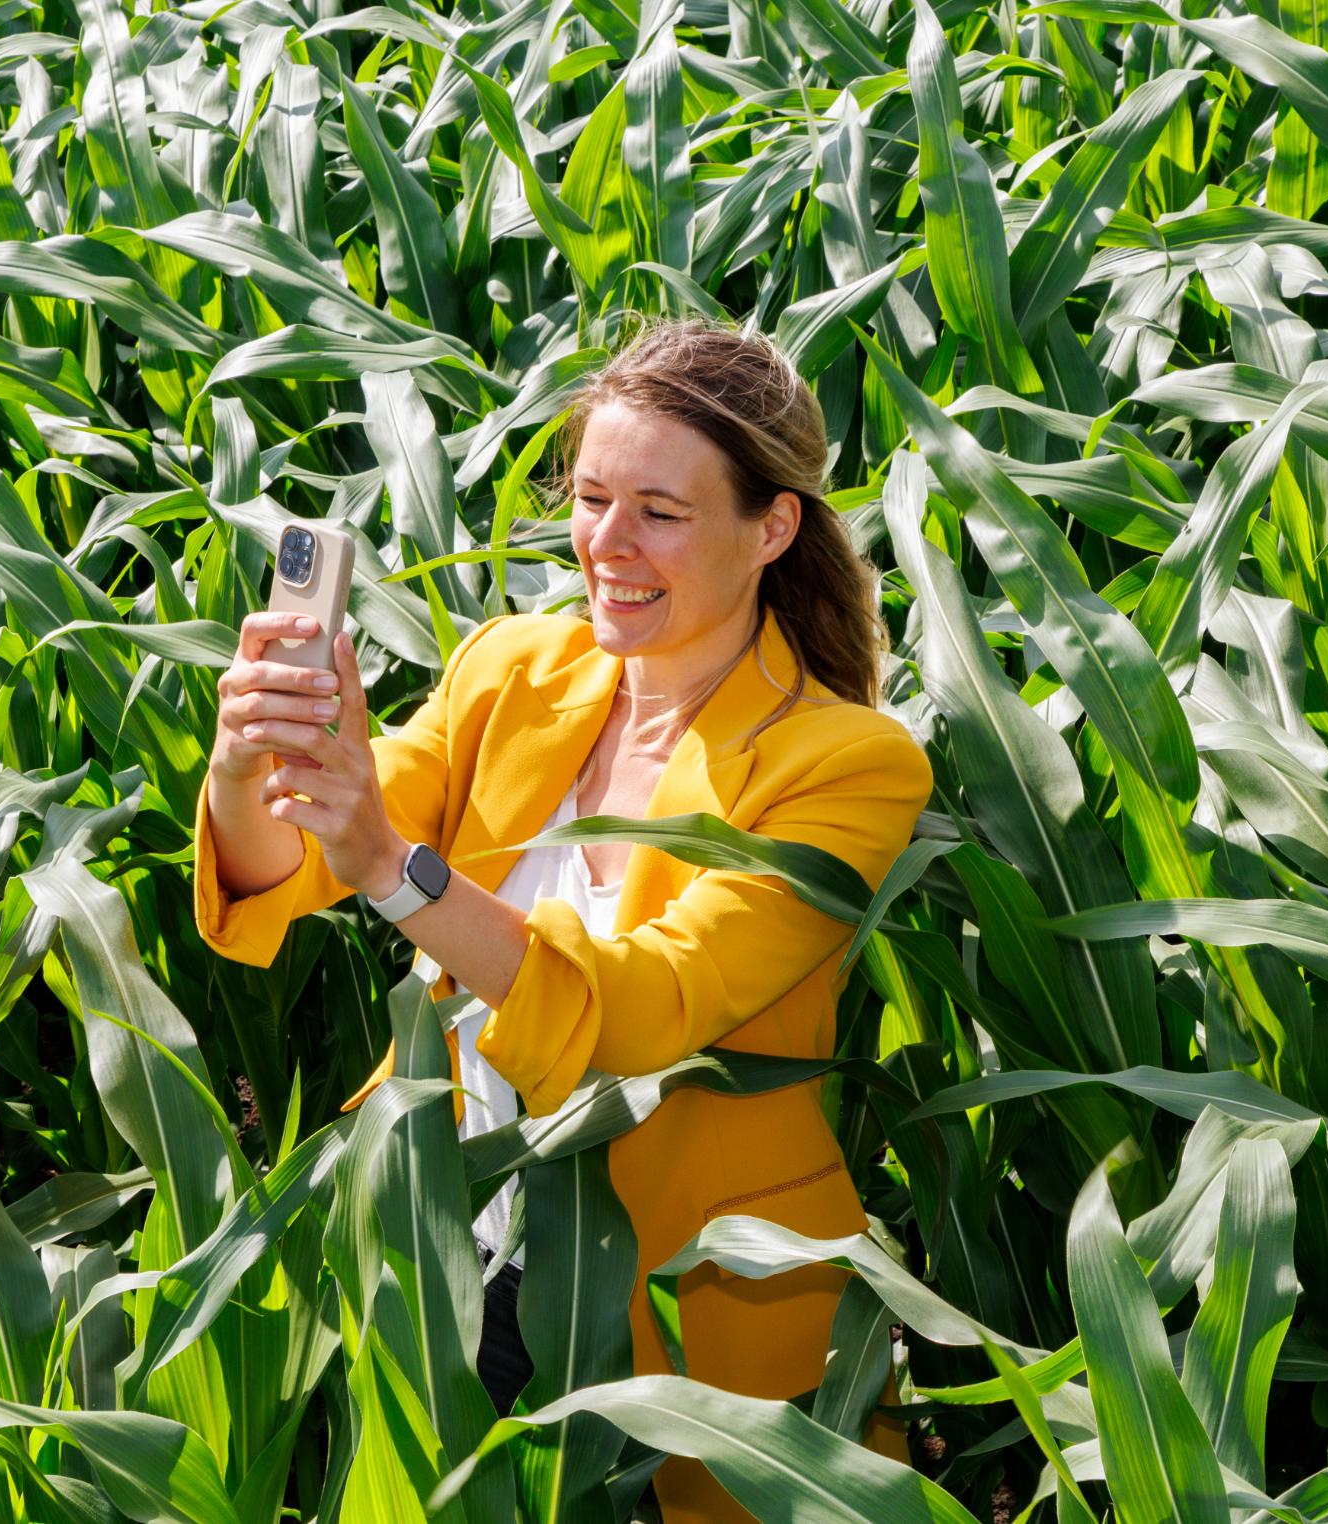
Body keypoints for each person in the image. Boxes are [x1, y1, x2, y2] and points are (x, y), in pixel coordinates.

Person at [191, 316, 933, 1524]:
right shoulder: (514, 669)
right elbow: (283, 868)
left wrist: (393, 863)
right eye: (591, 498)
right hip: (449, 1259)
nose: (608, 544)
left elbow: (647, 1009)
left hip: (694, 1309)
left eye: (660, 511)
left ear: (774, 526)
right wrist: (252, 755)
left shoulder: (846, 764)